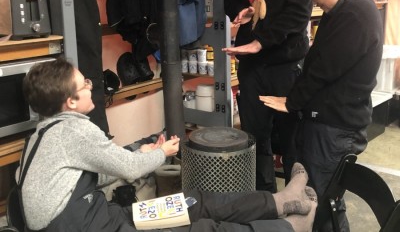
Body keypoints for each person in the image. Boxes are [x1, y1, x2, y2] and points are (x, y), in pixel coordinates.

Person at [17, 57, 318, 232]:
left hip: (101, 219)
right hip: (96, 228)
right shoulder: (73, 131)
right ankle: (289, 228)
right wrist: (161, 153)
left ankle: (281, 201)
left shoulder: (43, 135)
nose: (90, 86)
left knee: (192, 202)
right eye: (85, 84)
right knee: (199, 229)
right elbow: (130, 169)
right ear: (70, 102)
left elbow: (88, 175)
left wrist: (140, 152)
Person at [260, 0, 384, 232]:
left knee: (319, 200)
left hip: (335, 128)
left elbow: (323, 70)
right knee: (328, 199)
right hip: (329, 122)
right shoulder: (344, 7)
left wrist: (292, 102)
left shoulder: (355, 14)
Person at [223, 0, 316, 191]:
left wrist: (259, 41)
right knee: (255, 139)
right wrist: (243, 10)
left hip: (287, 66)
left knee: (292, 142)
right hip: (253, 68)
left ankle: (295, 202)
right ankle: (264, 202)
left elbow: (298, 14)